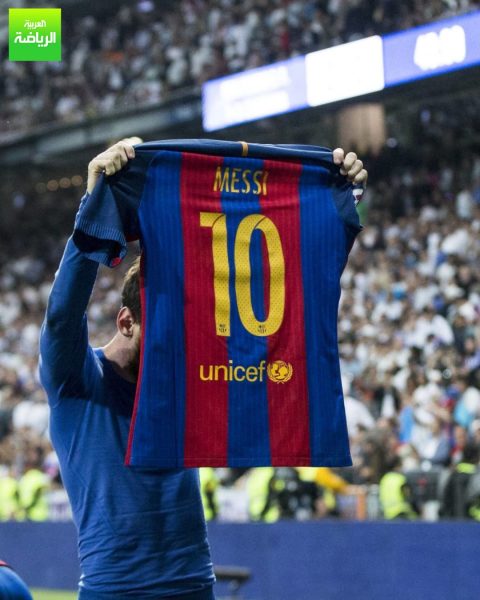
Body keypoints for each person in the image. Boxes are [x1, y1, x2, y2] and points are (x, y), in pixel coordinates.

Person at [38, 137, 367, 599]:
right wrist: (93, 210)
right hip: (114, 591)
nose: (177, 343)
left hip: (196, 586)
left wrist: (336, 199)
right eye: (165, 332)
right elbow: (61, 316)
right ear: (126, 321)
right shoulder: (77, 380)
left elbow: (289, 287)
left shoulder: (183, 374)